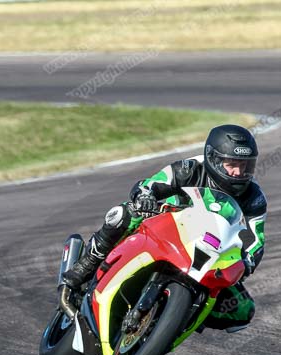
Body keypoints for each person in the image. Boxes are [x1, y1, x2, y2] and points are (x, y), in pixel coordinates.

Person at [61, 124, 267, 332]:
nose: (239, 172)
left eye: (246, 166)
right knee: (124, 214)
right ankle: (86, 265)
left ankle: (179, 314)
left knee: (242, 310)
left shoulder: (254, 197)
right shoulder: (190, 168)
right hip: (167, 226)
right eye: (232, 164)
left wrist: (246, 262)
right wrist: (145, 197)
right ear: (213, 159)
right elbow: (150, 185)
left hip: (209, 251)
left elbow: (255, 239)